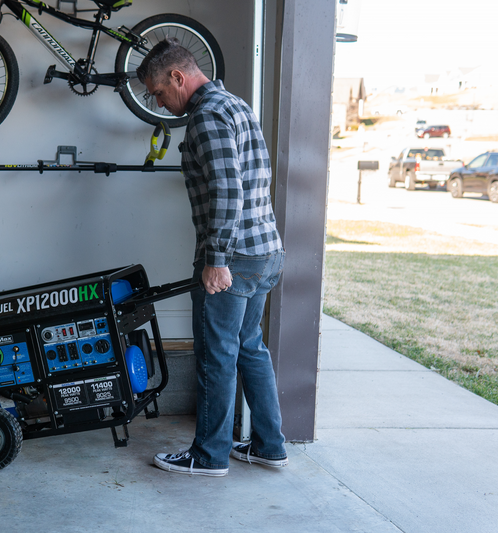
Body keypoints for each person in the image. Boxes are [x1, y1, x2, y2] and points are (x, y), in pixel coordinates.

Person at [137, 38, 287, 476]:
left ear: (178, 77)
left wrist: (216, 258)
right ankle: (269, 446)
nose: (160, 104)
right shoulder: (236, 105)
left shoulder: (206, 117)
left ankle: (209, 456)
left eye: (159, 93)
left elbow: (227, 191)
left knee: (216, 356)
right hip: (265, 252)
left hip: (234, 258)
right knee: (249, 348)